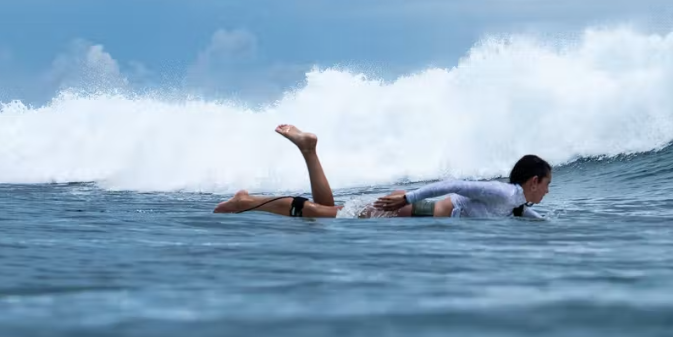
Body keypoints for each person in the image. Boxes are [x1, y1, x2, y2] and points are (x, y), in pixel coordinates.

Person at [212, 125, 552, 219]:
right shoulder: (504, 193)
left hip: (413, 212)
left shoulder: (514, 204)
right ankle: (246, 201)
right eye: (546, 185)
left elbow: (523, 217)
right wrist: (408, 196)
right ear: (533, 181)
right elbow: (454, 183)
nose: (547, 192)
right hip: (410, 209)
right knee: (319, 213)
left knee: (328, 214)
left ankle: (308, 151)